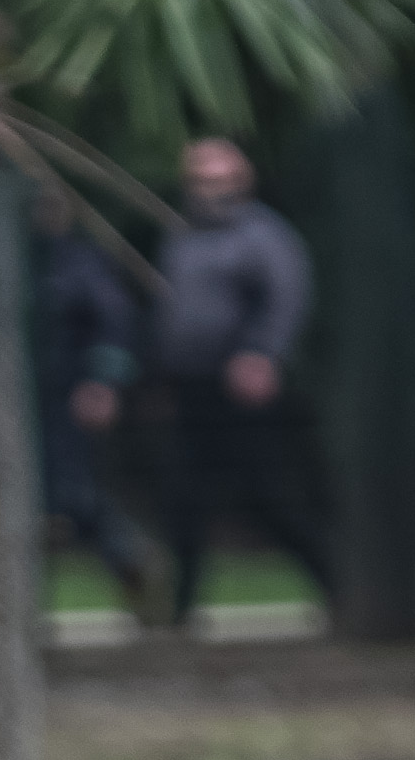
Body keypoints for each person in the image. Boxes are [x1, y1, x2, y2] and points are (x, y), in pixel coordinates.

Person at [148, 136, 335, 626]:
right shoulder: (182, 236)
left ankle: (337, 585)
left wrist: (261, 356)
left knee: (267, 493)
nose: (210, 191)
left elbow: (287, 299)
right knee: (183, 497)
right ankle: (181, 608)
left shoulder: (263, 236)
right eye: (201, 180)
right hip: (191, 386)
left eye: (221, 180)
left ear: (242, 182)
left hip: (243, 386)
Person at [34, 193, 158, 611]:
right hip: (28, 401)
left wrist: (103, 381)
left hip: (68, 397)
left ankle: (130, 558)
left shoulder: (80, 262)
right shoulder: (19, 260)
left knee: (71, 496)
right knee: (44, 498)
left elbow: (114, 323)